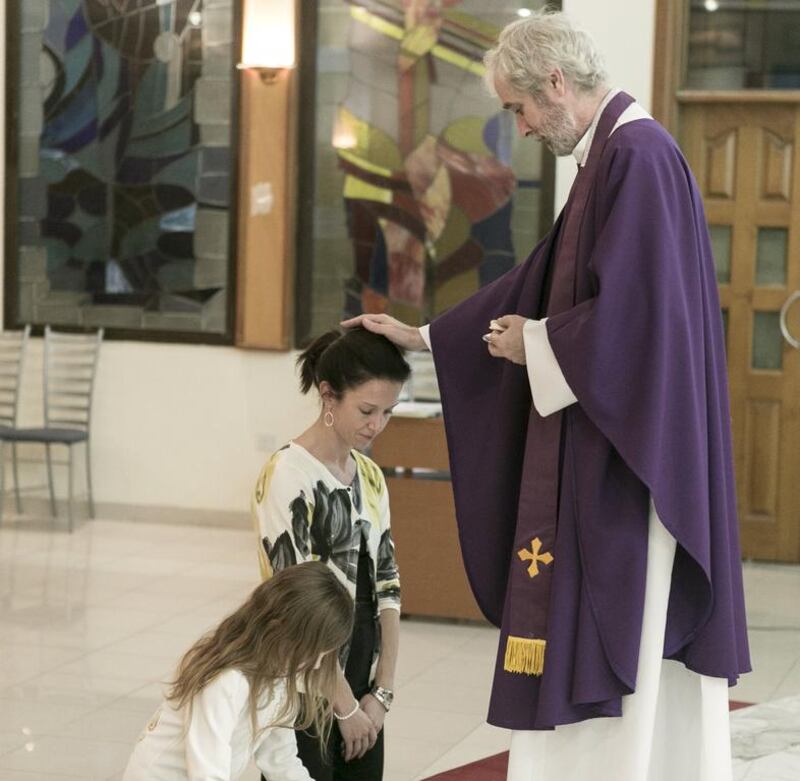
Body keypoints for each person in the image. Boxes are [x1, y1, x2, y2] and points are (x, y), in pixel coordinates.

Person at [343, 10, 751, 781]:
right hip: (618, 446)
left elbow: (639, 321)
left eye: (518, 107)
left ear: (557, 84)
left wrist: (533, 344)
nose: (521, 127)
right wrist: (432, 335)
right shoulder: (611, 157)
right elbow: (547, 275)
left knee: (631, 633)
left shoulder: (639, 155)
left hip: (635, 467)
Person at [252, 327, 410, 781]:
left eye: (387, 412)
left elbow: (388, 583)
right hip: (306, 675)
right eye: (366, 410)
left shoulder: (369, 475)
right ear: (328, 396)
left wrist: (381, 693)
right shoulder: (287, 476)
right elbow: (294, 608)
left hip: (361, 670)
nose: (376, 425)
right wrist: (341, 706)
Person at [122, 561, 353, 781]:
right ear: (283, 631)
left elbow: (281, 761)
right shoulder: (227, 680)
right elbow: (208, 774)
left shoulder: (281, 678)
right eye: (316, 653)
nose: (316, 665)